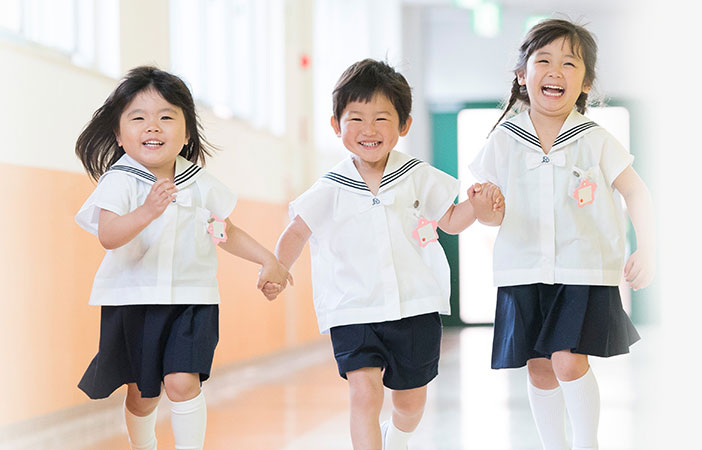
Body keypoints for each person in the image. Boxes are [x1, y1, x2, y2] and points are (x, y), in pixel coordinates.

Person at [263, 58, 504, 450]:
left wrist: (479, 206)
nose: (368, 130)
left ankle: (398, 438)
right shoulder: (330, 187)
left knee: (410, 401)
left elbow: (453, 222)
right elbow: (296, 230)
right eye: (355, 118)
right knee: (364, 393)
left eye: (381, 119)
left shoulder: (418, 175)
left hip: (414, 307)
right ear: (336, 125)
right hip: (353, 308)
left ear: (403, 125)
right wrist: (276, 266)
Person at [74, 66, 291, 450]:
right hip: (133, 300)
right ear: (119, 135)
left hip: (193, 300)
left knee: (182, 382)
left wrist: (267, 259)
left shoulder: (201, 182)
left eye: (166, 118)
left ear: (187, 132)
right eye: (138, 118)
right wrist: (147, 212)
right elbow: (108, 235)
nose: (152, 127)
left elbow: (224, 229)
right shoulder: (120, 179)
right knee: (143, 395)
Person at [469, 19, 655, 450]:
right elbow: (489, 215)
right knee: (539, 368)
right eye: (544, 61)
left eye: (569, 64)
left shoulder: (596, 139)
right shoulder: (504, 139)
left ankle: (586, 443)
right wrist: (486, 207)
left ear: (585, 81)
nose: (555, 71)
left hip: (582, 269)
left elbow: (636, 192)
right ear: (522, 75)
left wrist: (649, 247)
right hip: (523, 270)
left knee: (569, 362)